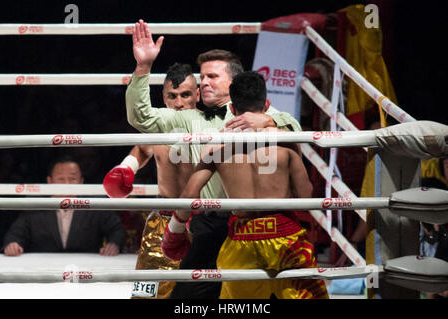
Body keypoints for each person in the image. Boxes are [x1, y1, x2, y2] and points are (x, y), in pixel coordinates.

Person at [125, 19, 303, 299]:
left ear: (234, 82)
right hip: (206, 222)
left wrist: (267, 119)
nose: (204, 82)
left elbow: (296, 129)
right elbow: (140, 117)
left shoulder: (255, 115)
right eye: (203, 77)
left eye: (213, 77)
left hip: (251, 223)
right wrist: (143, 67)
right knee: (189, 298)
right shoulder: (186, 118)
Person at [162, 71, 327, 299]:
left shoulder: (217, 147)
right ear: (267, 105)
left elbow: (190, 195)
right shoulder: (285, 141)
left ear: (231, 109)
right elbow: (307, 196)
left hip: (241, 238)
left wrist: (174, 233)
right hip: (286, 237)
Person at [103, 62, 199, 298]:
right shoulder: (157, 127)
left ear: (197, 94)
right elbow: (143, 150)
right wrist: (126, 167)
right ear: (163, 97)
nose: (179, 103)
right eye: (172, 96)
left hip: (200, 221)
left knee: (202, 294)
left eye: (186, 95)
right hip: (163, 220)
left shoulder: (210, 125)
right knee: (146, 294)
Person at [2, 155, 126, 256]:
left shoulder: (95, 205)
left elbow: (117, 230)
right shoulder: (35, 207)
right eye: (61, 179)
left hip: (87, 271)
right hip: (44, 272)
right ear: (49, 181)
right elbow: (14, 235)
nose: (67, 184)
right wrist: (13, 244)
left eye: (72, 179)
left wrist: (113, 244)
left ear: (81, 181)